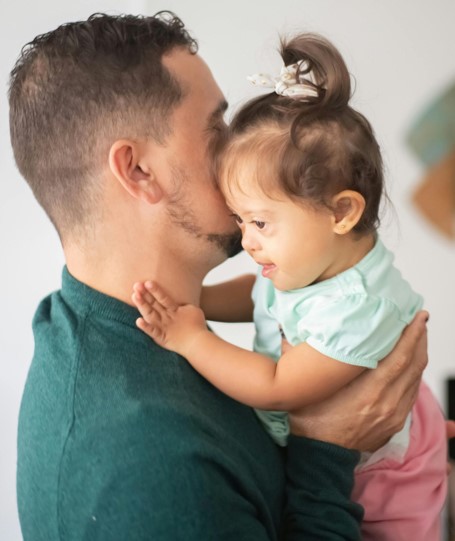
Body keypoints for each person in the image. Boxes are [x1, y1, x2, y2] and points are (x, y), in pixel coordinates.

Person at [9, 12, 429, 541]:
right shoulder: (150, 469)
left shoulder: (78, 322)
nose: (241, 152)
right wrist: (328, 450)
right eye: (217, 130)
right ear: (138, 170)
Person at [132, 32, 447, 539]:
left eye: (259, 223)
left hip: (389, 471)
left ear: (342, 212)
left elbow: (277, 388)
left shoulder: (356, 309)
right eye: (239, 219)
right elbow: (260, 297)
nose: (246, 241)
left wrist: (192, 338)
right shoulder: (306, 264)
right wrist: (202, 301)